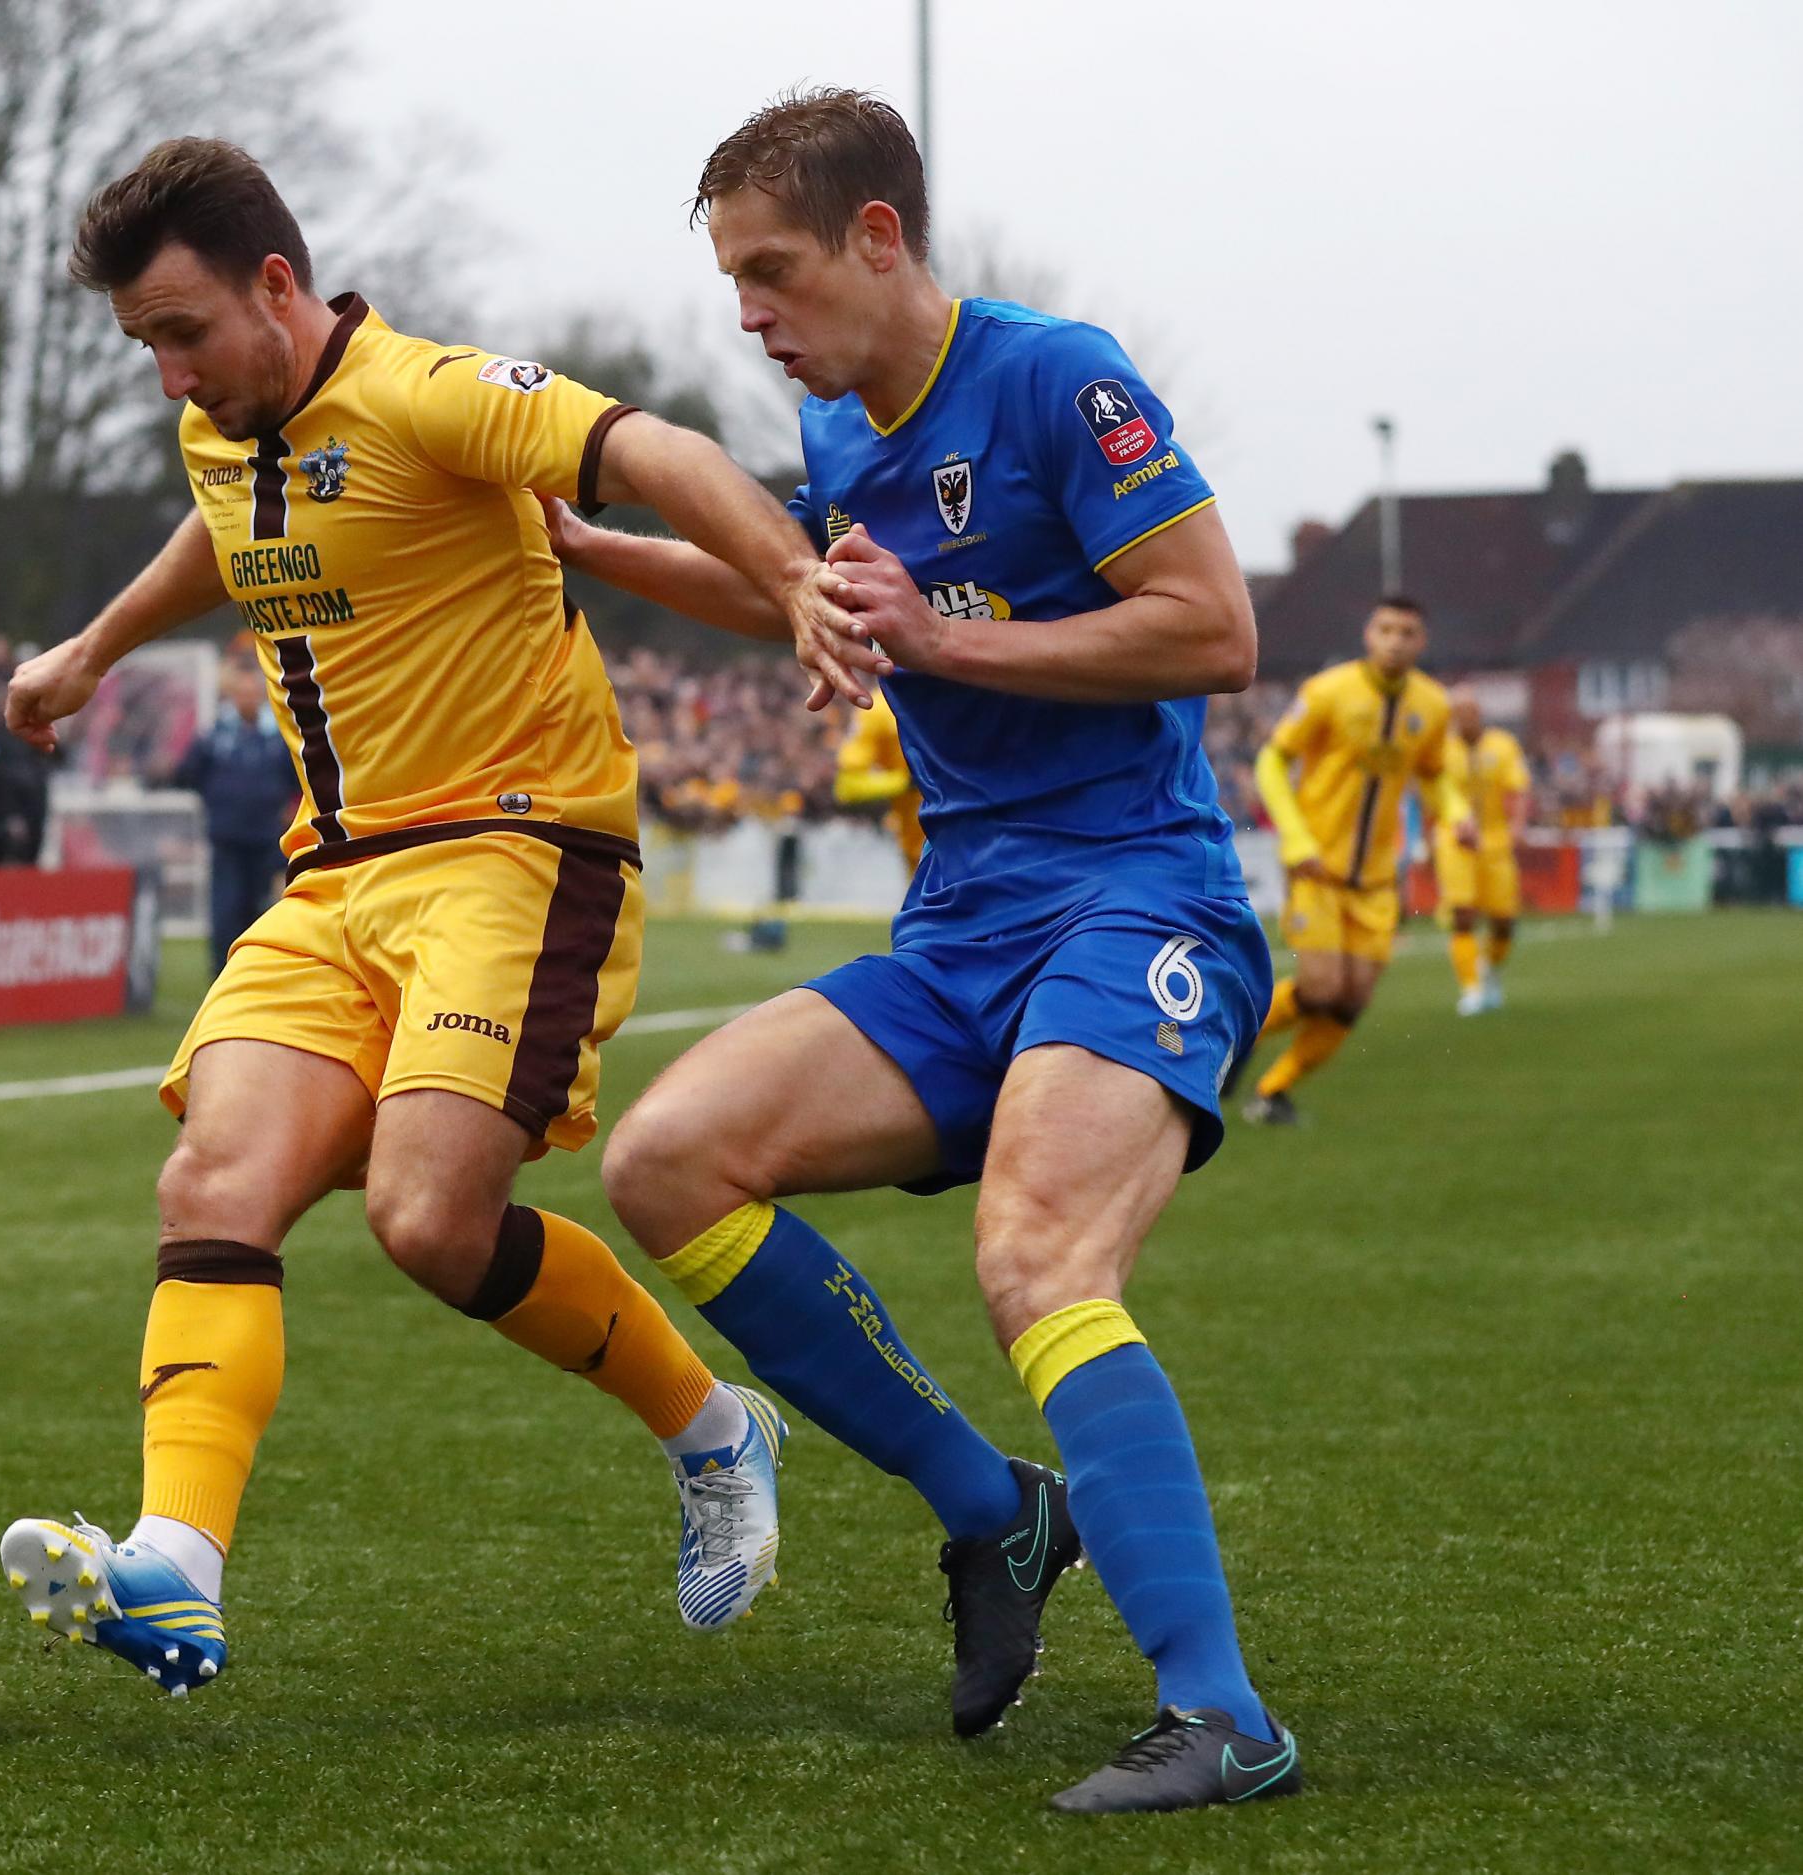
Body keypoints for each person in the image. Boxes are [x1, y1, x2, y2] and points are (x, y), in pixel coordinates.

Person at [0, 135, 876, 1698]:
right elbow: (233, 520)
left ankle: (719, 1428)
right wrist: (93, 647)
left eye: (185, 331)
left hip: (517, 855)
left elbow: (656, 449)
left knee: (426, 1220)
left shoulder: (431, 392)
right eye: (144, 345)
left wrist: (797, 579)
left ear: (279, 286)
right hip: (333, 878)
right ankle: (175, 1567)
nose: (172, 376)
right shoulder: (230, 421)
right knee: (213, 1172)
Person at [553, 89, 1298, 1814]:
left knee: (1038, 1255)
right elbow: (827, 587)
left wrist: (947, 640)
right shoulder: (842, 429)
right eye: (735, 282)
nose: (751, 314)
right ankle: (995, 1510)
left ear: (879, 239)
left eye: (775, 273)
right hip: (962, 927)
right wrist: (621, 556)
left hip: (1134, 896)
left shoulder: (1055, 377)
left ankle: (1221, 1716)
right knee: (668, 1161)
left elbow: (1215, 630)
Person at [1239, 597, 1468, 1123]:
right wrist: (1296, 839)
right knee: (1320, 987)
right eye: (1385, 628)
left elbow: (1433, 772)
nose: (1394, 640)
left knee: (1350, 1001)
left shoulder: (1432, 706)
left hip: (1377, 881)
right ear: (1368, 633)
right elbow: (1273, 759)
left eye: (1407, 631)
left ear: (1421, 642)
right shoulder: (1327, 692)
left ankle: (1272, 1092)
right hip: (1318, 869)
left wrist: (1455, 814)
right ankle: (1235, 1040)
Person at [171, 642, 299, 974]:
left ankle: (255, 978)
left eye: (253, 691)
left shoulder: (277, 737)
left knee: (261, 914)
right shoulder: (216, 736)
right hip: (226, 839)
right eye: (241, 692)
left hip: (267, 840)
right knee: (225, 913)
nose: (247, 698)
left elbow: (297, 782)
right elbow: (187, 773)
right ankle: (222, 980)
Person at [1439, 687, 1531, 1014]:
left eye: (1470, 712)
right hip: (1454, 840)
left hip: (1495, 840)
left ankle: (1489, 970)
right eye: (1458, 712)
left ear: (1479, 714)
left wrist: (1517, 827)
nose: (1464, 718)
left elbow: (1518, 789)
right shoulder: (1441, 749)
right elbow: (1430, 794)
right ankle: (1471, 988)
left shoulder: (1503, 745)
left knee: (1504, 921)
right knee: (1462, 914)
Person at [832, 687, 922, 868]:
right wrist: (907, 782)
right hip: (920, 847)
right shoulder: (879, 709)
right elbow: (847, 784)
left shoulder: (977, 685)